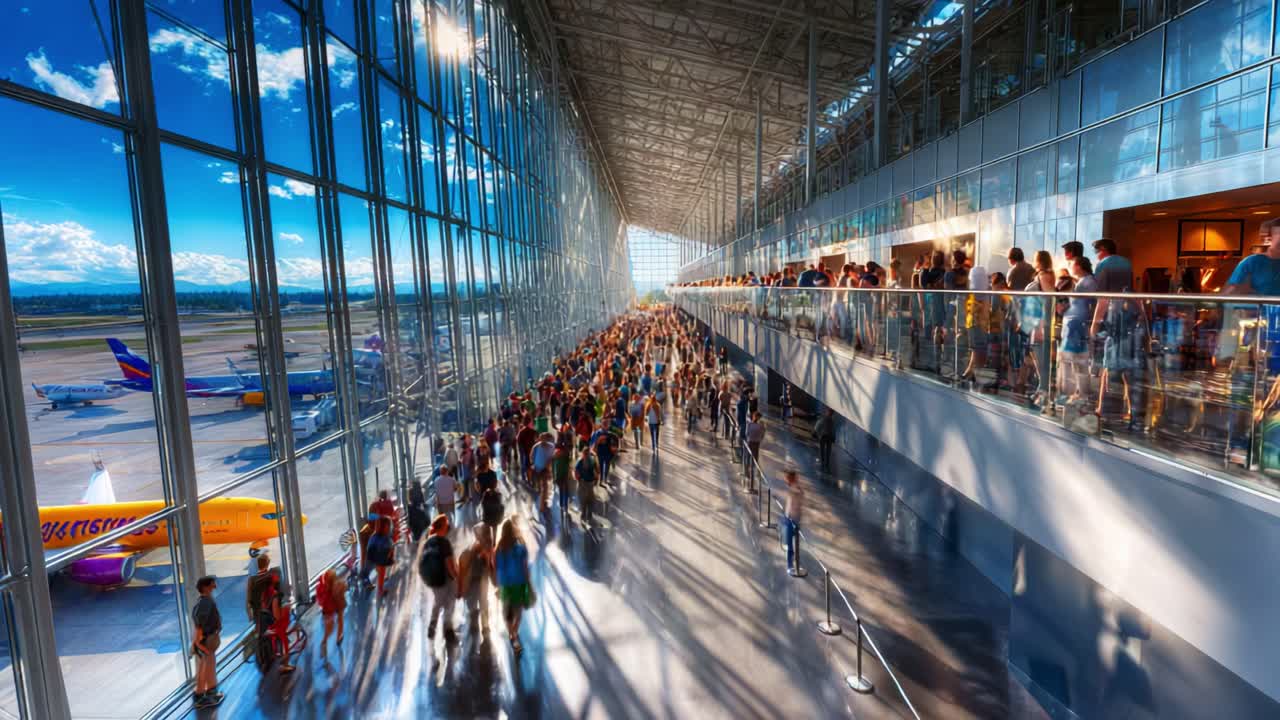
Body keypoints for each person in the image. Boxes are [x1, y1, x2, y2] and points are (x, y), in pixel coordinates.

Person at [1089, 238, 1143, 426]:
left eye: (1096, 252)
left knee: (1106, 367)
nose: (1096, 256)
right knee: (1127, 370)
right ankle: (1131, 410)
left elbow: (1103, 299)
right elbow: (1133, 293)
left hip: (1114, 319)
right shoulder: (1127, 263)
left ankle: (1101, 408)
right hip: (1129, 318)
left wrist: (1094, 325)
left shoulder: (1104, 265)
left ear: (1102, 251)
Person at [494, 518, 533, 656]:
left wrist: (498, 586)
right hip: (519, 584)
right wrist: (529, 584)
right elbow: (525, 568)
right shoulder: (521, 548)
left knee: (507, 613)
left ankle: (512, 634)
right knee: (518, 612)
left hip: (505, 585)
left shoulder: (498, 549)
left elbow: (497, 569)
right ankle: (514, 634)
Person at [421, 514, 458, 643]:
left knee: (438, 601)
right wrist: (456, 578)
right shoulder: (444, 542)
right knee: (449, 604)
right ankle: (448, 630)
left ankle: (432, 624)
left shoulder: (428, 541)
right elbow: (449, 564)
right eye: (446, 524)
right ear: (442, 526)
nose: (448, 526)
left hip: (432, 579)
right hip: (445, 579)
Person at [191, 575, 224, 708]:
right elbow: (199, 624)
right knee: (205, 667)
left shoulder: (204, 600)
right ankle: (199, 696)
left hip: (207, 640)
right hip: (205, 641)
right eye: (212, 583)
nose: (214, 585)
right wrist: (199, 643)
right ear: (205, 587)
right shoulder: (205, 602)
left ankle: (211, 691)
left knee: (209, 666)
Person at [458, 522, 495, 635]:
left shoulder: (481, 548)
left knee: (477, 603)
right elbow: (489, 566)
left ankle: (480, 626)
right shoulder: (479, 547)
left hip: (477, 580)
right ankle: (483, 626)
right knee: (482, 603)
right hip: (479, 580)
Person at [261, 570, 295, 673]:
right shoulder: (276, 597)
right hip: (277, 626)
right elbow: (277, 616)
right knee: (284, 642)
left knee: (280, 641)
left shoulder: (266, 594)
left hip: (270, 625)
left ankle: (278, 656)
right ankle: (284, 664)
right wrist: (286, 610)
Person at [315, 568, 347, 659]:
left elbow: (320, 601)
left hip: (329, 608)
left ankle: (327, 640)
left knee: (330, 627)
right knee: (339, 620)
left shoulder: (322, 587)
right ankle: (337, 638)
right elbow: (344, 589)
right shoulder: (336, 585)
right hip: (337, 604)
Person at [780, 470, 805, 572]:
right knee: (789, 540)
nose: (785, 480)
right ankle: (791, 561)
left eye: (787, 478)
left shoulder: (795, 489)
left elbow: (797, 500)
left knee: (790, 542)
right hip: (790, 518)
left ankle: (790, 565)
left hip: (793, 519)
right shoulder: (793, 488)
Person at [366, 517, 395, 596]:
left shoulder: (374, 536)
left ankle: (380, 577)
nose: (389, 529)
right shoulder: (385, 539)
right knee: (381, 571)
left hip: (373, 556)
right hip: (380, 557)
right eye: (388, 527)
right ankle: (380, 590)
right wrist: (390, 556)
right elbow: (389, 549)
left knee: (379, 568)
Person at [574, 445, 599, 525]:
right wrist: (596, 481)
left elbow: (576, 473)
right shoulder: (592, 461)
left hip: (583, 483)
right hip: (589, 483)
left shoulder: (580, 462)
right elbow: (597, 473)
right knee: (590, 500)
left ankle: (584, 513)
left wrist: (579, 480)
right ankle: (588, 514)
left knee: (583, 500)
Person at [552, 440, 573, 516]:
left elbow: (553, 467)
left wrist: (554, 477)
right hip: (563, 476)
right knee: (565, 491)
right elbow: (569, 465)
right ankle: (564, 505)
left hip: (560, 476)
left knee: (562, 491)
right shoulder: (564, 455)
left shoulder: (556, 455)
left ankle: (563, 505)